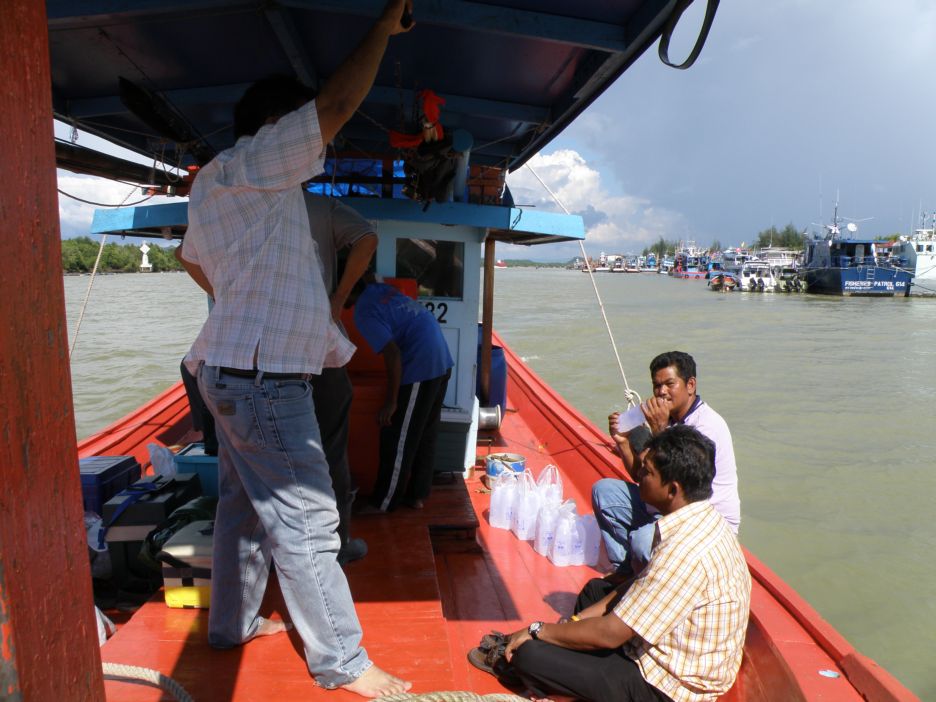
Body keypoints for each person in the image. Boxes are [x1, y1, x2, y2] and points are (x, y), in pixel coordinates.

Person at [178, 1, 414, 697]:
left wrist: (235, 300)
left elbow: (192, 261)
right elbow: (338, 103)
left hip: (225, 371)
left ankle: (229, 626)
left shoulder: (214, 186)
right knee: (309, 522)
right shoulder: (257, 165)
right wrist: (383, 28)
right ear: (277, 130)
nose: (321, 148)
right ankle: (343, 660)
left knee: (243, 513)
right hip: (264, 380)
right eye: (306, 134)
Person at [485, 425, 751, 702]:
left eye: (647, 473)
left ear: (672, 489)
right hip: (665, 647)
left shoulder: (684, 552)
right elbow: (635, 587)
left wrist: (538, 631)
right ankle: (569, 653)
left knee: (530, 656)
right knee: (594, 592)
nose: (639, 479)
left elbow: (612, 634)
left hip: (666, 687)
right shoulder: (698, 520)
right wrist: (571, 624)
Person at [592, 351, 740, 576]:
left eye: (670, 384)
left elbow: (682, 488)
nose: (662, 392)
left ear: (690, 385)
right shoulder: (669, 418)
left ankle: (650, 579)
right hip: (667, 506)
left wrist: (659, 431)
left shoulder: (706, 427)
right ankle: (625, 575)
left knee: (642, 541)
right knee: (605, 492)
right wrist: (622, 442)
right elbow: (645, 478)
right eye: (656, 385)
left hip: (701, 520)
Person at [304, 194, 378, 565]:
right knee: (331, 448)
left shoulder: (229, 201)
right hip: (316, 348)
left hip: (248, 355)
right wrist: (336, 301)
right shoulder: (319, 207)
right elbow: (367, 237)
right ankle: (337, 542)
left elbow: (185, 256)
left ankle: (276, 548)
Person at [351, 276, 453, 512]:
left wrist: (391, 402)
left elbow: (393, 355)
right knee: (425, 433)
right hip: (441, 359)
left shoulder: (364, 312)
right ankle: (417, 495)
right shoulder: (380, 290)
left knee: (398, 439)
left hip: (421, 365)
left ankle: (383, 503)